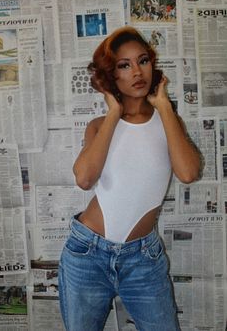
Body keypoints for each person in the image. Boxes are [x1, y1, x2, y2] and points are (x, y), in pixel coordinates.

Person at [58, 26, 201, 331]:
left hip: (143, 260)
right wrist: (113, 113)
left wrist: (163, 106)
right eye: (124, 65)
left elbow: (189, 173)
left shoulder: (168, 123)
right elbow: (84, 179)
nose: (137, 71)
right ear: (112, 76)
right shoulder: (99, 125)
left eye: (143, 60)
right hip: (87, 254)